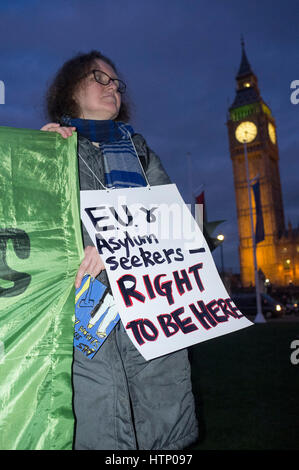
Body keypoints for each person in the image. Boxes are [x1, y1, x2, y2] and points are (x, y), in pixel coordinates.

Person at [41, 50, 198, 450]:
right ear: (70, 89)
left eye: (116, 82)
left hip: (151, 300)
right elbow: (34, 232)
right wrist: (38, 159)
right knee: (97, 403)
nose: (112, 87)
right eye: (100, 78)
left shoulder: (140, 151)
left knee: (159, 405)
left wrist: (112, 243)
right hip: (83, 304)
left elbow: (179, 222)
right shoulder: (51, 149)